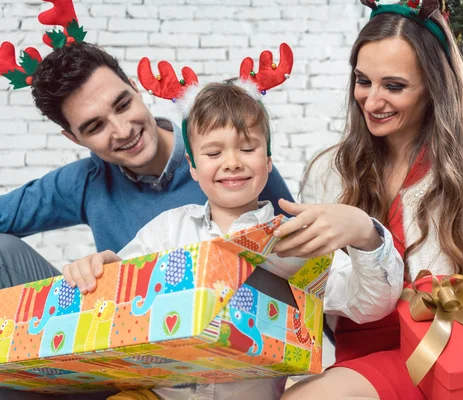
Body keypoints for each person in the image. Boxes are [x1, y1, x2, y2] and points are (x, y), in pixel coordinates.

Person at [273, 0, 463, 399]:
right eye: (363, 81)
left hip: (441, 357)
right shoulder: (329, 171)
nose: (372, 101)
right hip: (352, 357)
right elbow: (320, 293)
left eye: (394, 86)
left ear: (433, 86)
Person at [64, 79, 404, 399]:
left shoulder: (297, 241)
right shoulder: (167, 231)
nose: (231, 163)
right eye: (214, 154)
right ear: (193, 167)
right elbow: (121, 290)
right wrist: (101, 269)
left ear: (268, 160)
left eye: (247, 148)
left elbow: (370, 305)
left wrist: (367, 236)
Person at [0, 42, 293, 291]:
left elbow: (302, 266)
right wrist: (97, 269)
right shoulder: (84, 182)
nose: (123, 130)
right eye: (95, 126)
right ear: (74, 138)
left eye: (123, 105)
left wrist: (337, 355)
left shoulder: (237, 169)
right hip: (130, 331)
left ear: (135, 88)